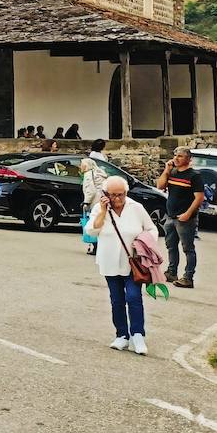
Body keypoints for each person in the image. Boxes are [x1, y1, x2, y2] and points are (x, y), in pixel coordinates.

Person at [90, 174, 159, 355]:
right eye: (113, 195)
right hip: (109, 261)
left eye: (121, 194)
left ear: (126, 192)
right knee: (116, 299)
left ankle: (137, 335)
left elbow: (152, 228)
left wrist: (144, 242)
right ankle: (122, 335)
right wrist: (104, 211)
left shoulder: (136, 207)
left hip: (133, 262)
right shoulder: (100, 208)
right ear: (105, 194)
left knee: (134, 297)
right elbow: (91, 230)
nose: (117, 199)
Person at [155, 147, 203, 288]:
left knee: (188, 248)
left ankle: (188, 277)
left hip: (185, 218)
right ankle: (171, 272)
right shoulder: (173, 172)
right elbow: (160, 185)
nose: (176, 158)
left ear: (188, 159)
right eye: (175, 155)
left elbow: (199, 198)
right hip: (171, 216)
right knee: (171, 246)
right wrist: (167, 170)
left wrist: (188, 214)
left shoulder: (194, 176)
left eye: (180, 156)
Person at [79, 139, 109, 256]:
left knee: (94, 224)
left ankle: (96, 247)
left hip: (94, 201)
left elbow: (90, 190)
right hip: (101, 199)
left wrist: (86, 202)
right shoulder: (99, 172)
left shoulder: (88, 175)